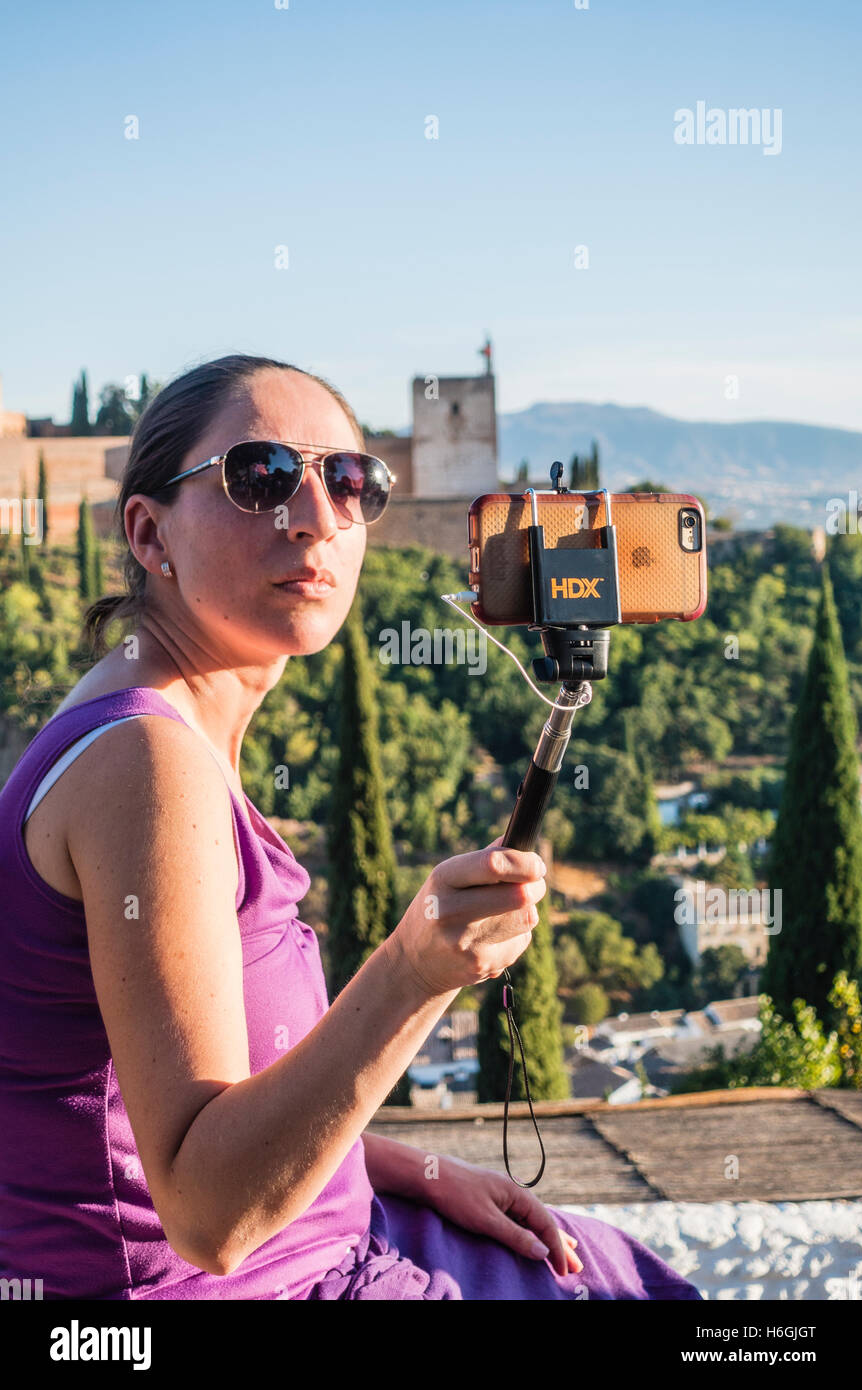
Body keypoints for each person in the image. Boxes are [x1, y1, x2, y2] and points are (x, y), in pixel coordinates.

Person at [0, 353, 701, 1301]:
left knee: (611, 1270)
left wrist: (410, 1169)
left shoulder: (157, 730)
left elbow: (185, 1098)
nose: (315, 516)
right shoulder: (146, 765)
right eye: (260, 478)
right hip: (237, 1289)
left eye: (350, 481)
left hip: (329, 1235)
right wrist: (416, 970)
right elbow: (209, 1215)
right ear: (147, 532)